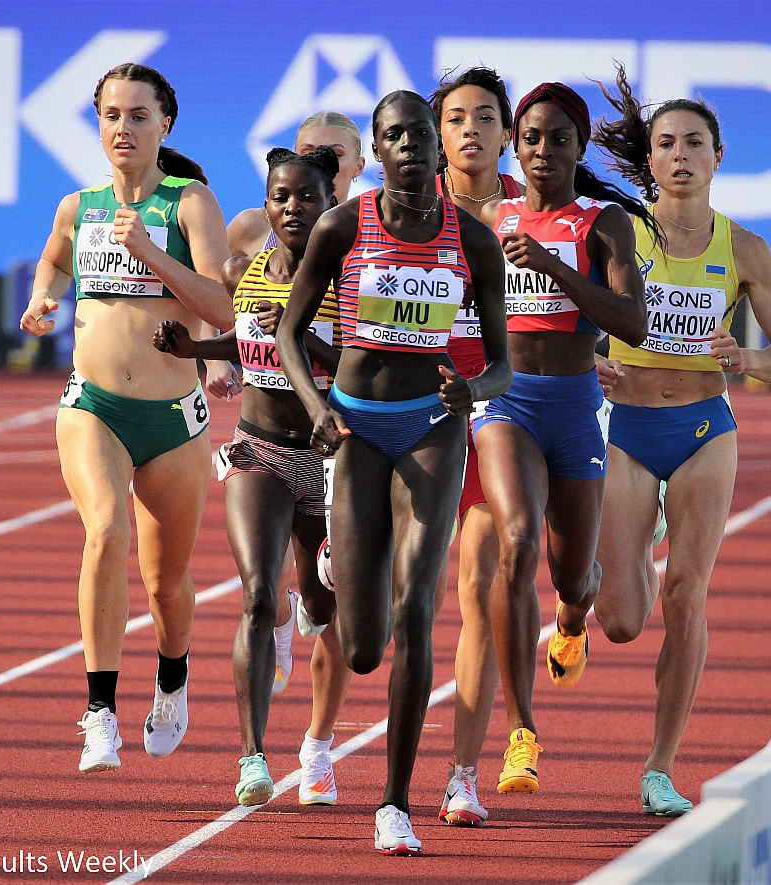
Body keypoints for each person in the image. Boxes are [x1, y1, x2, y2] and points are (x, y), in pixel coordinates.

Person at [276, 90, 511, 855]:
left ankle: (396, 803)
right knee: (366, 643)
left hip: (433, 426)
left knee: (417, 609)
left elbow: (502, 366)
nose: (408, 144)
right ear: (375, 152)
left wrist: (470, 391)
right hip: (355, 425)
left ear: (437, 148)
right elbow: (287, 328)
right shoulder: (346, 224)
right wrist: (315, 406)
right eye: (393, 135)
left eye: (419, 132)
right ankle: (342, 565)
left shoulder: (472, 240)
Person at [590, 65, 771, 815]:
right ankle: (633, 538)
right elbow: (554, 318)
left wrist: (746, 358)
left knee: (688, 593)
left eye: (695, 144)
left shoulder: (744, 249)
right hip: (628, 426)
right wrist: (591, 360)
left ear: (718, 157)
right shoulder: (618, 230)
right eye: (667, 144)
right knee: (619, 620)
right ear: (648, 160)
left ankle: (659, 767)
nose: (681, 155)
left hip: (706, 427)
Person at [19, 63, 233, 774]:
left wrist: (148, 252)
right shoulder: (77, 207)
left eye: (139, 115)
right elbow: (52, 261)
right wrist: (43, 296)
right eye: (112, 115)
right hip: (94, 407)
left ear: (165, 124)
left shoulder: (189, 202)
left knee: (167, 584)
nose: (123, 128)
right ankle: (100, 711)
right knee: (105, 530)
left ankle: (173, 676)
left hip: (174, 419)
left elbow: (222, 308)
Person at [152, 146, 354, 807]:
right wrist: (195, 348)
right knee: (258, 596)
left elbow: (361, 367)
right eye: (280, 196)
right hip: (259, 451)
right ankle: (253, 757)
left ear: (330, 204)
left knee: (324, 614)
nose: (292, 208)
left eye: (306, 197)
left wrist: (297, 332)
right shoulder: (256, 267)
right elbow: (249, 343)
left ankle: (318, 744)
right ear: (265, 202)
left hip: (330, 463)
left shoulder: (348, 277)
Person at [474, 82, 650, 797]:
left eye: (559, 139)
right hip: (506, 402)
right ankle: (522, 733)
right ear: (516, 146)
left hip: (577, 408)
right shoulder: (489, 217)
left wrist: (551, 267)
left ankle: (572, 613)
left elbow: (632, 323)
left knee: (570, 574)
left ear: (580, 150)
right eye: (533, 138)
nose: (544, 150)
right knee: (514, 541)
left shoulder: (602, 223)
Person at [223, 113, 368, 677]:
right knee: (260, 579)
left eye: (330, 155)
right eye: (304, 151)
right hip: (263, 436)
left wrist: (299, 337)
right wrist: (213, 352)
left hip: (336, 440)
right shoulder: (252, 234)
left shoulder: (367, 241)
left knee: (327, 602)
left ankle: (303, 608)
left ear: (353, 167)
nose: (294, 200)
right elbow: (230, 296)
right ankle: (296, 746)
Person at [426, 66, 521, 828]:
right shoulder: (401, 208)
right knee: (393, 601)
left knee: (479, 590)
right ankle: (319, 742)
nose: (470, 131)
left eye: (484, 117)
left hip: (497, 414)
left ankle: (463, 775)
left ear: (506, 131)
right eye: (456, 117)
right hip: (409, 415)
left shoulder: (535, 211)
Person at [227, 112, 367, 257]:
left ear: (359, 166)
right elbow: (211, 277)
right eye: (307, 152)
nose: (319, 163)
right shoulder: (250, 226)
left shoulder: (373, 234)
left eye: (335, 154)